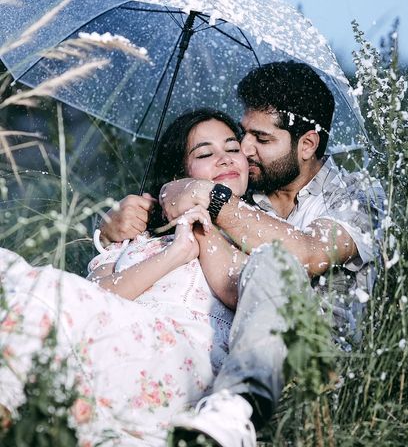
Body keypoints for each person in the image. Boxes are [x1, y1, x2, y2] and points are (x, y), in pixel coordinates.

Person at [101, 61, 384, 447]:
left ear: (307, 144)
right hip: (218, 349)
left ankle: (237, 406)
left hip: (311, 371)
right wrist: (115, 226)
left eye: (261, 140)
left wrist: (206, 195)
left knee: (275, 261)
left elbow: (310, 251)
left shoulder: (357, 196)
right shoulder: (249, 195)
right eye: (243, 134)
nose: (245, 150)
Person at [0, 109, 250, 447]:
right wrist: (172, 254)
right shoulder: (135, 237)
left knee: (43, 288)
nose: (223, 159)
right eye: (205, 153)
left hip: (181, 361)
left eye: (233, 149)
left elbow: (245, 291)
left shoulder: (253, 234)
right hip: (110, 341)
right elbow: (93, 296)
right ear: (178, 174)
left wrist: (203, 224)